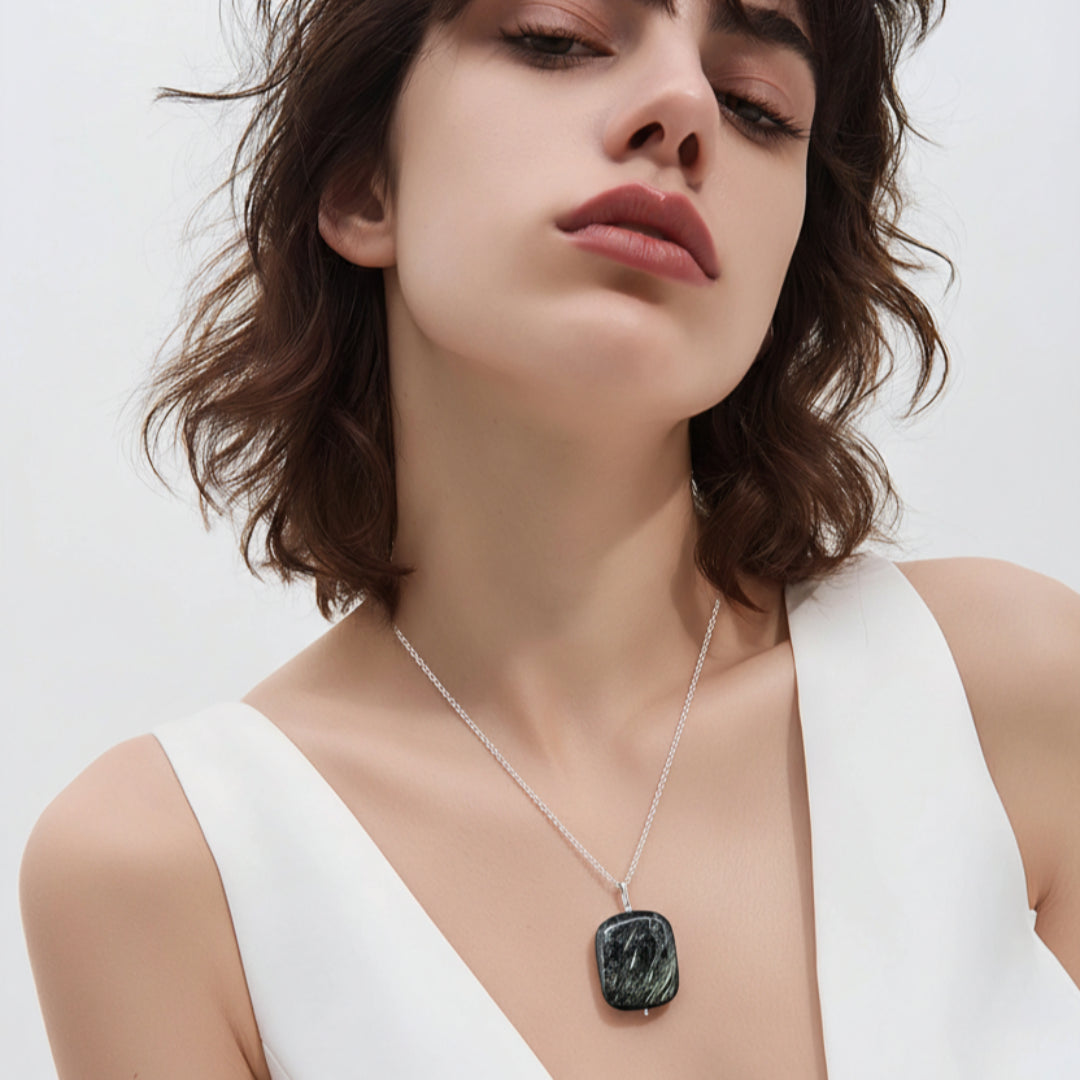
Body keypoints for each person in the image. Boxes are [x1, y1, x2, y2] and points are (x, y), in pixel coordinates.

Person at [18, 0, 1080, 1076]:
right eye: (558, 37)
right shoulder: (167, 874)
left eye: (755, 105)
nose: (684, 108)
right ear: (362, 184)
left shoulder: (1011, 700)